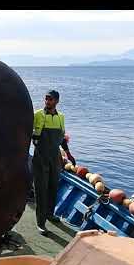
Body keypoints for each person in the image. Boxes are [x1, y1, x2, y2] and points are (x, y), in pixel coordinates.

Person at [32, 90, 76, 235]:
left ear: (57, 101)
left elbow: (62, 138)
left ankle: (50, 214)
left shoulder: (61, 117)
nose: (47, 101)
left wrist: (68, 154)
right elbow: (27, 133)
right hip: (40, 157)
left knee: (53, 188)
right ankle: (41, 223)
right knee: (41, 190)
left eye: (50, 99)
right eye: (46, 99)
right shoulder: (37, 115)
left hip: (55, 158)